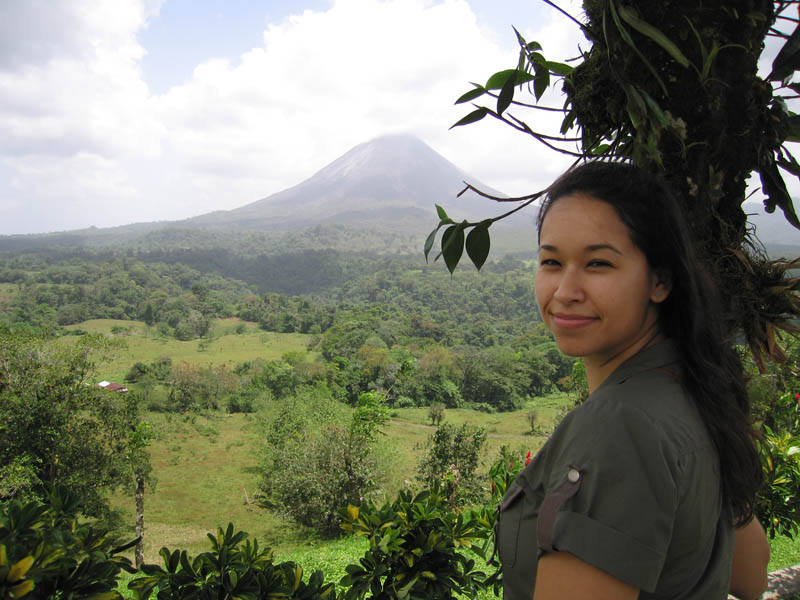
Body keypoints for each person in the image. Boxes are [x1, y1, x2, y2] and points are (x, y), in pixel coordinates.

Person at [496, 162, 770, 600]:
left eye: (598, 263)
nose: (565, 290)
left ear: (659, 281)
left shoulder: (618, 426)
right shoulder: (693, 388)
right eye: (551, 261)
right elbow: (750, 575)